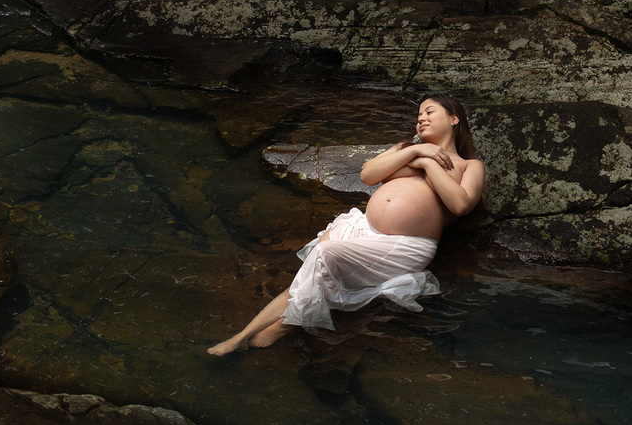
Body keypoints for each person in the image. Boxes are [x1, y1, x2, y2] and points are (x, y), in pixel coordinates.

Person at [207, 94, 485, 354]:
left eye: (429, 111)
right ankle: (240, 336)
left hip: (404, 245)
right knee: (307, 276)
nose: (420, 118)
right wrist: (418, 151)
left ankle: (285, 325)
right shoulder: (406, 149)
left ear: (454, 118)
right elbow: (368, 174)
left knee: (324, 255)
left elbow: (460, 204)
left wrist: (429, 164)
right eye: (418, 115)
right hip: (362, 225)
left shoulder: (469, 166)